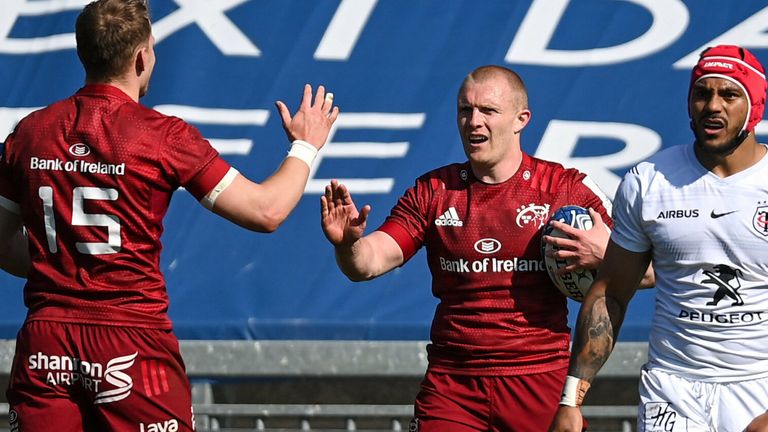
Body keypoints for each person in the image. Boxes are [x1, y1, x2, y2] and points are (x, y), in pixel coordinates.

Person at [0, 0, 338, 430]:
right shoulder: (163, 137)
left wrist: (65, 264)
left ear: (83, 51)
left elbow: (1, 242)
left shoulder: (31, 132)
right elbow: (266, 210)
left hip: (47, 344)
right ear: (142, 57)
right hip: (131, 341)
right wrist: (306, 145)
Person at [321, 65, 618, 431]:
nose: (473, 121)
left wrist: (607, 256)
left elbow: (646, 273)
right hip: (454, 387)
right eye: (465, 110)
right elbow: (368, 263)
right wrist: (348, 244)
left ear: (520, 119)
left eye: (488, 111)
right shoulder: (433, 191)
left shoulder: (563, 189)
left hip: (539, 380)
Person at [550, 44, 768, 432]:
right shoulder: (649, 181)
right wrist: (571, 399)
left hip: (759, 390)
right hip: (673, 389)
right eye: (702, 94)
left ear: (755, 106)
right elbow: (611, 293)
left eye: (729, 94)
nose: (712, 106)